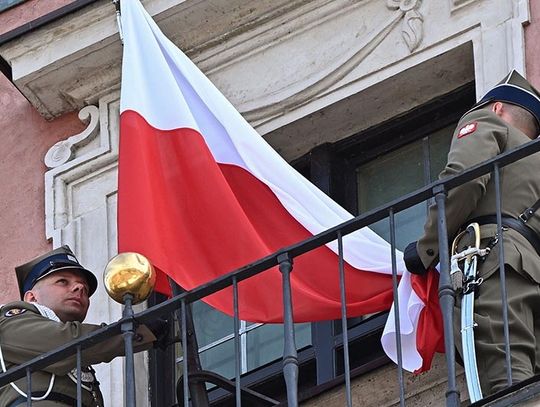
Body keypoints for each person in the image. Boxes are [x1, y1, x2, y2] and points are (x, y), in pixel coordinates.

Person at [403, 70, 540, 396]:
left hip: (494, 262)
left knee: (506, 377)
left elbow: (462, 179)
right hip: (531, 272)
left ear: (496, 109)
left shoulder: (488, 123)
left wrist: (426, 250)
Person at [0, 246, 160, 406]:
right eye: (62, 281)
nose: (80, 288)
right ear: (32, 298)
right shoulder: (9, 321)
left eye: (85, 287)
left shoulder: (82, 355)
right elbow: (64, 340)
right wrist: (138, 332)